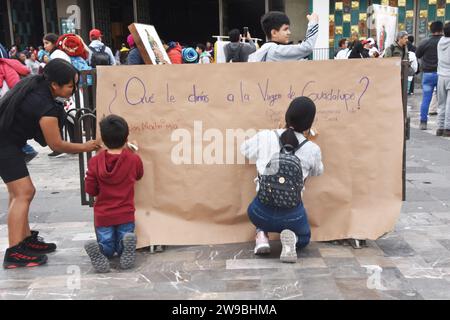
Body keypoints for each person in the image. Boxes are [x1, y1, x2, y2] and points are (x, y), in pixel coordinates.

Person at [0, 59, 100, 269]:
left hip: (8, 142)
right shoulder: (45, 105)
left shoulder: (37, 86)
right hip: (4, 144)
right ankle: (15, 252)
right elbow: (56, 145)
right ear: (55, 85)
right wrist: (88, 146)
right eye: (70, 86)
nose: (73, 90)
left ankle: (24, 241)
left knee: (18, 193)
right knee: (24, 193)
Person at [240, 97, 324, 263]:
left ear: (287, 116)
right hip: (291, 216)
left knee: (263, 196)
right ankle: (292, 240)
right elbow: (317, 172)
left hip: (258, 212)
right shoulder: (312, 149)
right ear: (309, 124)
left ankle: (261, 234)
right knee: (305, 237)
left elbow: (245, 150)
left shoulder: (265, 136)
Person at [84, 115, 143, 273]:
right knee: (123, 242)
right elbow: (139, 175)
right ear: (126, 137)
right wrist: (134, 153)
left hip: (103, 215)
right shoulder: (133, 160)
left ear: (103, 139)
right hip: (126, 213)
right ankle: (126, 247)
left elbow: (90, 189)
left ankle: (100, 250)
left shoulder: (95, 162)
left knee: (107, 246)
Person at [248, 11, 319, 62]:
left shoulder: (263, 50)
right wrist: (313, 23)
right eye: (285, 29)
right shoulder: (276, 51)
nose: (289, 32)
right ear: (274, 33)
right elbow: (306, 47)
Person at [416, 21, 444, 130]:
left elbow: (418, 54)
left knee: (426, 99)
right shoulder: (445, 41)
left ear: (430, 30)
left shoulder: (425, 42)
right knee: (442, 100)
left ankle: (423, 122)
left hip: (427, 74)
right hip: (441, 74)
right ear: (442, 30)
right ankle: (441, 125)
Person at [436, 22, 450, 137]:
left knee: (441, 103)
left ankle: (439, 127)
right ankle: (447, 128)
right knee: (449, 104)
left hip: (441, 75)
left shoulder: (440, 42)